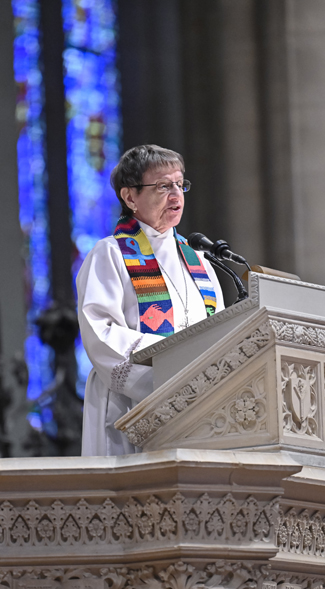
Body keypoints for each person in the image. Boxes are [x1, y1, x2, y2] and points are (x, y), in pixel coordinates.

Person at [77, 145, 225, 456]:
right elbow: (100, 332)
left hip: (199, 408)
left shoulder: (199, 260)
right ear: (130, 197)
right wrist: (170, 370)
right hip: (132, 406)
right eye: (163, 186)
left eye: (179, 184)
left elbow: (220, 331)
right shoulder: (111, 254)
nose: (176, 195)